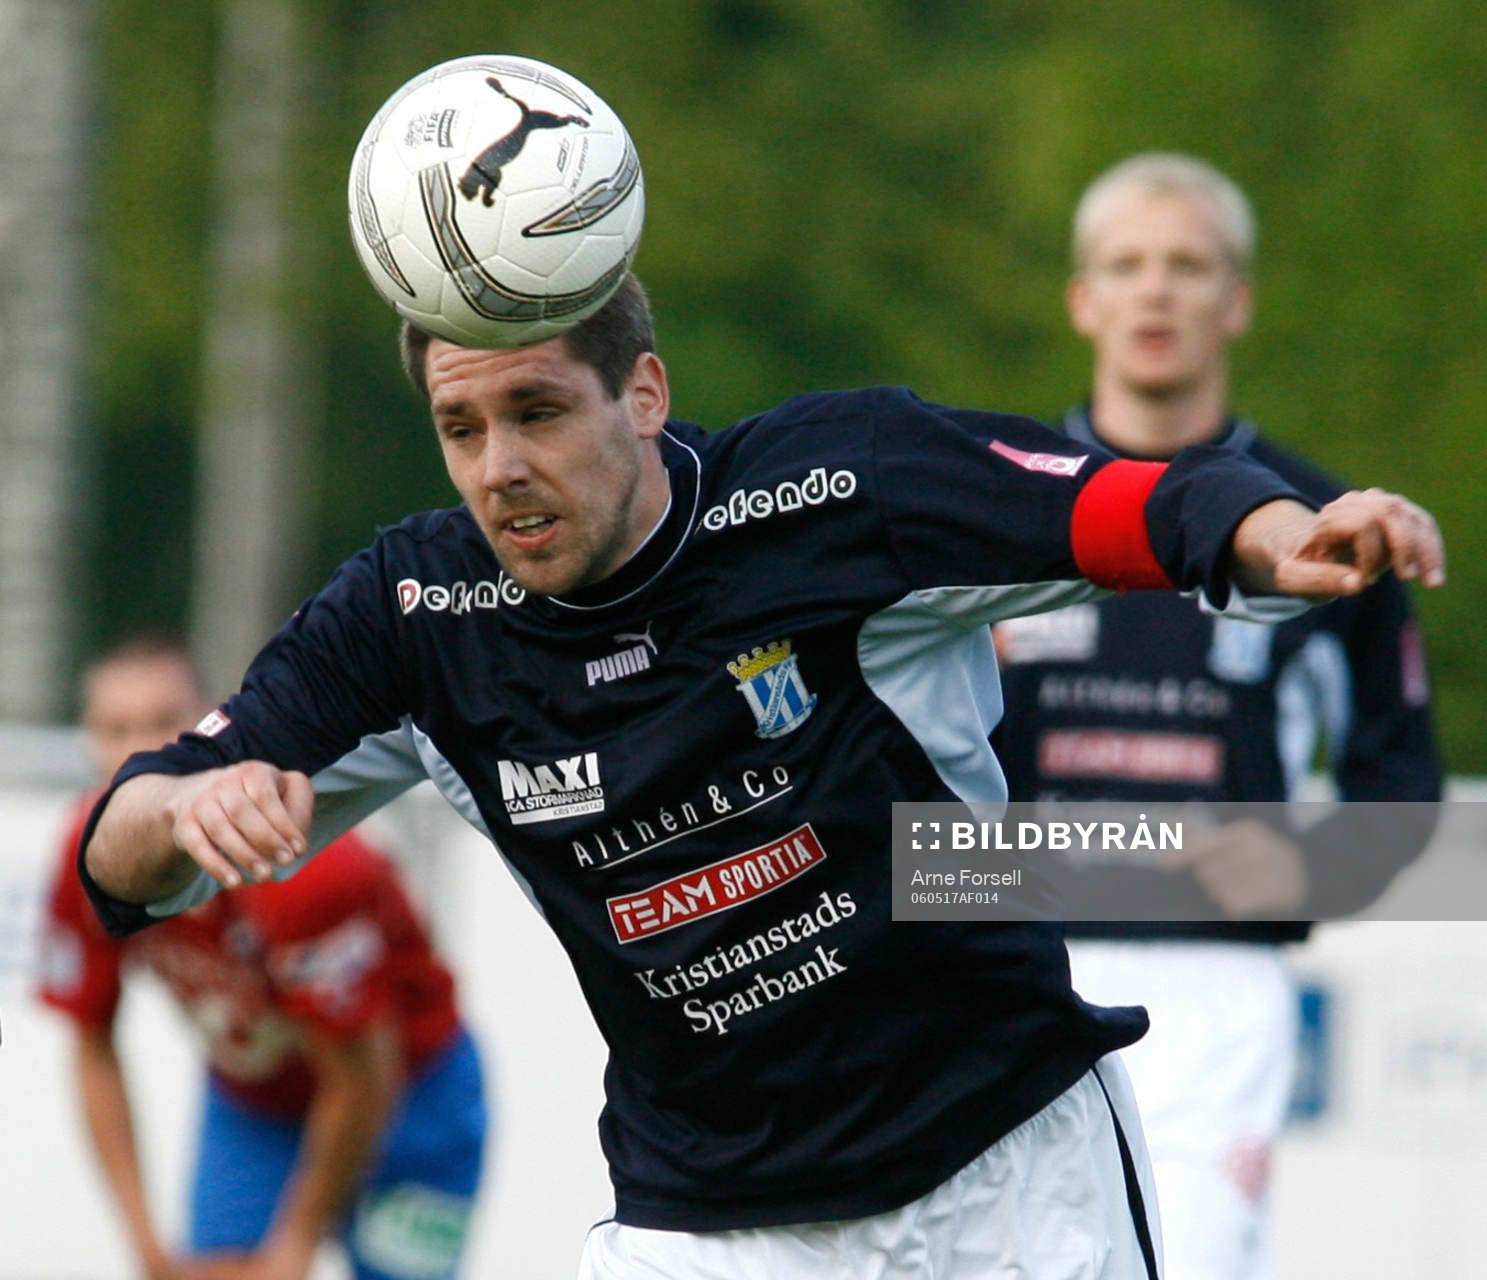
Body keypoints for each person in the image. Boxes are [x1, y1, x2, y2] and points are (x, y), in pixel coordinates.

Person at [77, 269, 1443, 1280]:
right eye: (462, 426)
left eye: (539, 410)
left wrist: (1281, 527)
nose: (501, 469)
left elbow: (1120, 501)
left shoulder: (831, 490)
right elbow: (120, 844)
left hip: (1001, 1179)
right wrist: (187, 811)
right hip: (706, 1228)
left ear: (644, 390)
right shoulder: (413, 615)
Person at [990, 153, 1443, 1279]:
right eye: (1126, 265)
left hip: (1215, 987)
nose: (1155, 291)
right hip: (1012, 970)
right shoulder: (987, 513)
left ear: (1234, 299)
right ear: (1082, 299)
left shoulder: (1327, 529)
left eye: (1186, 265)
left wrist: (1300, 867)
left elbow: (1400, 796)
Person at [37, 636, 488, 1280]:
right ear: (84, 740)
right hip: (255, 1104)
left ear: (208, 727)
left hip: (416, 1096)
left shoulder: (302, 866)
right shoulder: (90, 860)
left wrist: (296, 1243)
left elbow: (364, 1078)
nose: (136, 752)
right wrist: (145, 1246)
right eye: (114, 729)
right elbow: (90, 1042)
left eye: (162, 722)